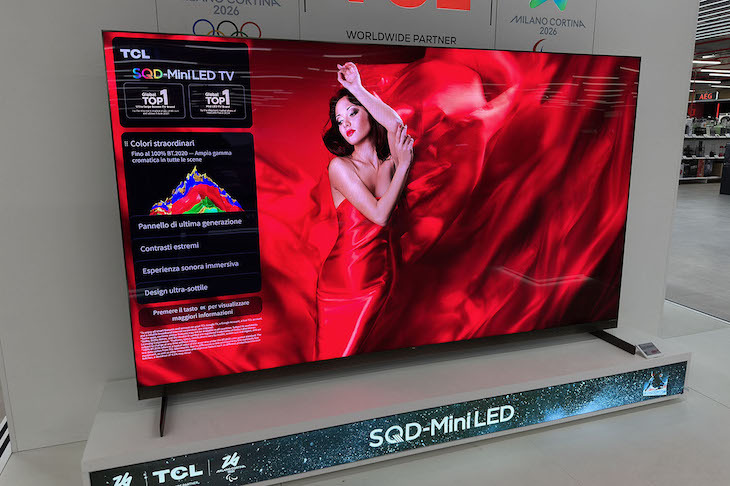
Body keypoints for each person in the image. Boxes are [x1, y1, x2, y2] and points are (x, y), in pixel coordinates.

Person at [316, 62, 414, 360]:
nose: (345, 123)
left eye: (353, 112)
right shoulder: (340, 167)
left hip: (384, 274)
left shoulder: (388, 164)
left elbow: (396, 125)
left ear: (369, 112)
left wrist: (357, 88)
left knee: (372, 359)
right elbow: (380, 216)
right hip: (347, 280)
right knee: (337, 361)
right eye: (339, 120)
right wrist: (405, 166)